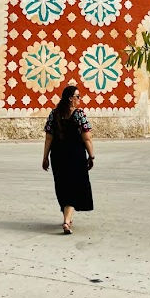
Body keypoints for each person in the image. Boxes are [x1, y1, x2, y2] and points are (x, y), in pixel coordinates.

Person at [42, 85, 94, 234]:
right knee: (74, 187)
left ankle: (68, 218)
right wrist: (91, 156)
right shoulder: (79, 114)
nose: (80, 99)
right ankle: (66, 221)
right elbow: (87, 138)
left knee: (63, 186)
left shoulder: (54, 114)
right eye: (78, 96)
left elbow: (48, 138)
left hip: (57, 156)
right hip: (75, 156)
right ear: (71, 99)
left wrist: (45, 157)